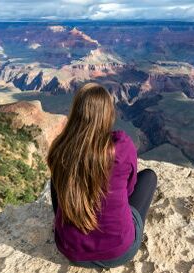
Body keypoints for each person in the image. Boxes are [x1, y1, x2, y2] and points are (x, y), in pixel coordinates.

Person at [47, 82, 158, 269]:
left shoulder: (60, 149)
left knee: (55, 180)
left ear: (76, 112)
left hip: (71, 250)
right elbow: (129, 190)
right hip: (119, 251)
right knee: (149, 177)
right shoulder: (121, 147)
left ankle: (69, 224)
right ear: (108, 114)